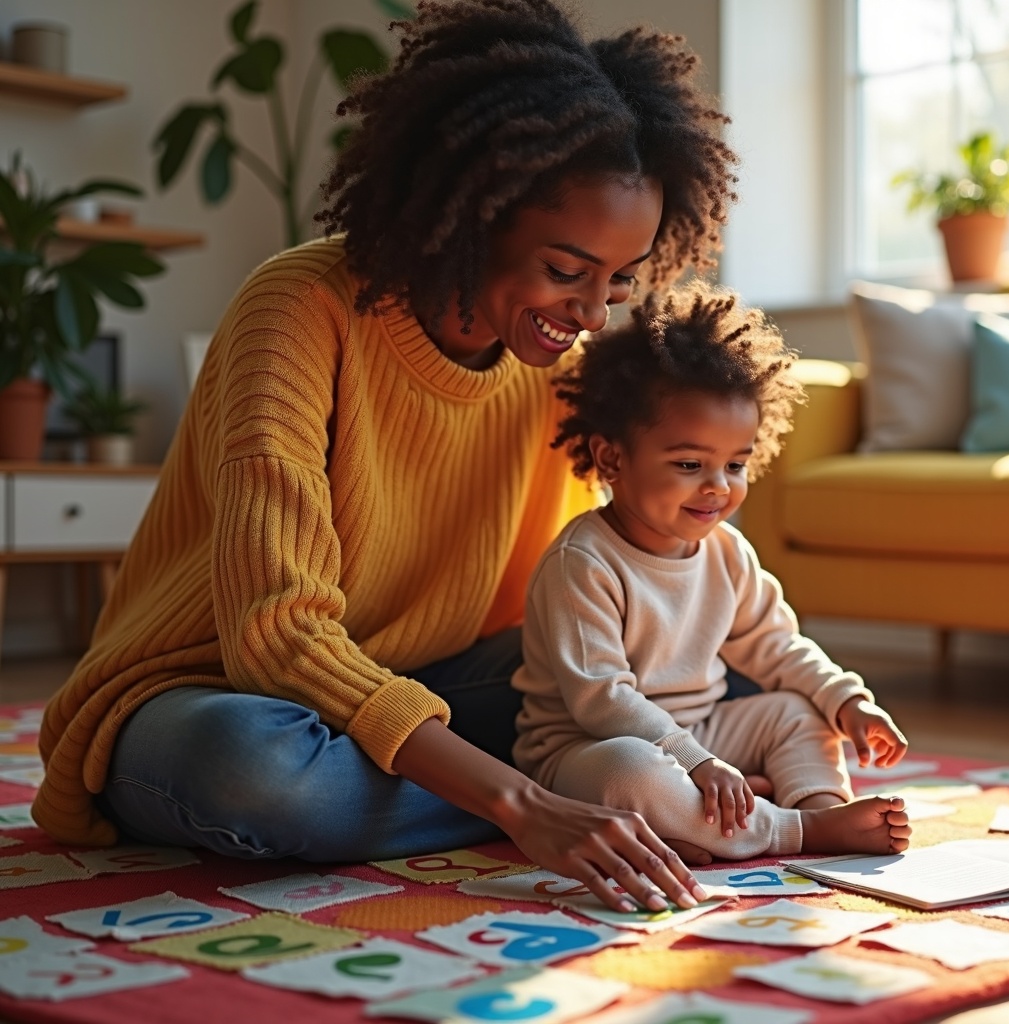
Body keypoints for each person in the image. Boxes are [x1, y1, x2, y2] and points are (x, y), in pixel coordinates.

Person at [35, 0, 742, 915]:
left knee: (714, 663)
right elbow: (276, 637)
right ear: (468, 213)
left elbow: (633, 571)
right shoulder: (299, 309)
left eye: (618, 280)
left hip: (426, 681)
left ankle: (551, 785)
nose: (591, 313)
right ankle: (567, 794)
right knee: (261, 776)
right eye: (566, 271)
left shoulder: (559, 364)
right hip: (219, 694)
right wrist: (521, 802)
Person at [512, 283, 913, 860]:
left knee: (797, 710)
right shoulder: (582, 562)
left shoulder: (727, 550)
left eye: (735, 464)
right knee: (633, 773)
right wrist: (695, 763)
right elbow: (602, 701)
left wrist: (847, 700)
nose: (717, 486)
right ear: (612, 459)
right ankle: (789, 830)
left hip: (700, 734)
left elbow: (776, 647)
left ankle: (816, 805)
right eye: (689, 464)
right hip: (586, 752)